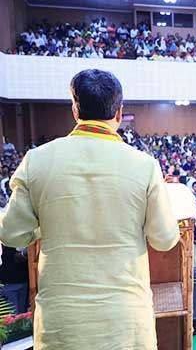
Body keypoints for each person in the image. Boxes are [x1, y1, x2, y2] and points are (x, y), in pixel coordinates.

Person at [0, 69, 180, 349]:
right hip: (125, 320)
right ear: (119, 113)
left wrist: (42, 223)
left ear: (75, 110)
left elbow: (11, 234)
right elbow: (165, 239)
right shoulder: (144, 166)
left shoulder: (37, 161)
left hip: (62, 324)